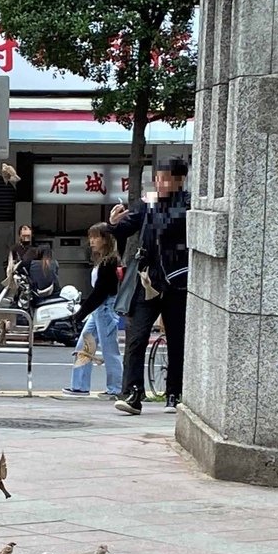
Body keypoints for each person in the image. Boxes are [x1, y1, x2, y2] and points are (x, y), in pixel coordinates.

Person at [108, 157, 190, 415]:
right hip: (148, 280)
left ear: (179, 181)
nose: (160, 182)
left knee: (177, 340)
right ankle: (133, 393)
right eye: (158, 177)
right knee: (137, 336)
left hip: (177, 281)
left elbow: (172, 225)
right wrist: (114, 224)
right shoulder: (149, 202)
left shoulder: (187, 203)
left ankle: (175, 392)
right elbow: (125, 229)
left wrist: (149, 211)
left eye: (166, 178)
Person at [62, 223, 123, 399]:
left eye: (96, 237)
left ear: (105, 239)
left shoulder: (110, 261)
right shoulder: (102, 260)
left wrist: (81, 313)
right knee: (84, 345)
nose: (91, 241)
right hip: (99, 310)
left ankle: (116, 388)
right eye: (91, 237)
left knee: (109, 349)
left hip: (105, 308)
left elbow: (100, 292)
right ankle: (80, 386)